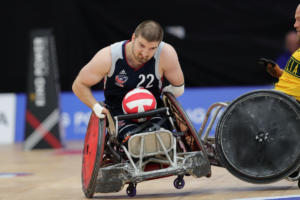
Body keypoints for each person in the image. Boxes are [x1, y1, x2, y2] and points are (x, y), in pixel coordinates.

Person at [72, 20, 185, 142]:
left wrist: (165, 96)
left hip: (153, 110)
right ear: (133, 38)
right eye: (141, 45)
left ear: (158, 45)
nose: (145, 53)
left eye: (152, 48)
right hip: (119, 112)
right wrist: (95, 106)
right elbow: (79, 84)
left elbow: (178, 88)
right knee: (134, 143)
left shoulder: (166, 53)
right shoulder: (108, 57)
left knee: (163, 139)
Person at [259, 4, 300, 103]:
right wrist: (278, 72)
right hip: (278, 106)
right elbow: (294, 80)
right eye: (296, 20)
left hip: (288, 112)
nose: (295, 24)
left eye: (299, 20)